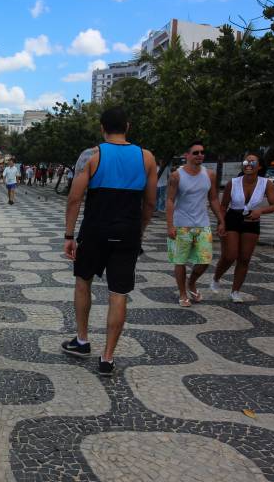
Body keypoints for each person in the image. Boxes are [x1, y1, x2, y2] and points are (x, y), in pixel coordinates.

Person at [62, 106, 157, 375]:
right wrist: (140, 230)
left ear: (102, 127)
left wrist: (69, 236)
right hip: (127, 233)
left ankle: (82, 340)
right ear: (127, 126)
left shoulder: (92, 156)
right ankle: (107, 357)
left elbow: (74, 199)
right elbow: (149, 202)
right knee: (119, 294)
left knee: (83, 283)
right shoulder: (147, 158)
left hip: (94, 231)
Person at [211, 152, 274, 302]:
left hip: (252, 221)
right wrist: (220, 223)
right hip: (232, 219)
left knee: (244, 258)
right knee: (230, 255)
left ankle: (235, 291)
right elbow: (223, 206)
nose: (248, 165)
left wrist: (260, 211)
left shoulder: (265, 183)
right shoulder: (233, 183)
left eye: (252, 162)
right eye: (246, 162)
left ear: (259, 166)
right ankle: (216, 277)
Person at [166, 140, 225, 307]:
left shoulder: (209, 174)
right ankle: (183, 293)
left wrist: (221, 220)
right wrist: (170, 225)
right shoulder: (177, 176)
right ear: (187, 156)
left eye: (202, 152)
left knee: (205, 260)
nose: (200, 155)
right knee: (180, 261)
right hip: (181, 225)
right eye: (196, 152)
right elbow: (170, 200)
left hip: (202, 224)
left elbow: (213, 198)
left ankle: (191, 282)